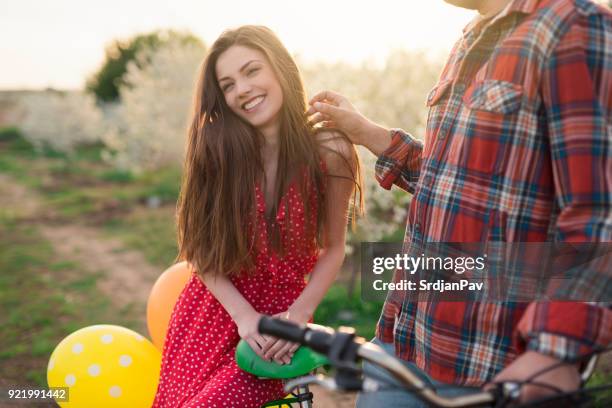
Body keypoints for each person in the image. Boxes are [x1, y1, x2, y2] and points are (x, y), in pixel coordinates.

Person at [308, 0, 611, 406]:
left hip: (491, 366)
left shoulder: (573, 26)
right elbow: (451, 182)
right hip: (404, 340)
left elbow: (598, 215)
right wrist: (364, 131)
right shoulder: (471, 38)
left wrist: (554, 350)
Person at [152, 25, 362, 407]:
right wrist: (244, 317)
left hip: (279, 325)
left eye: (252, 71)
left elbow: (333, 248)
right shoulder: (216, 151)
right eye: (228, 84)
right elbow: (200, 251)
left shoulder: (330, 149)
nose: (242, 90)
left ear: (280, 67)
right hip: (213, 313)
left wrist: (298, 317)